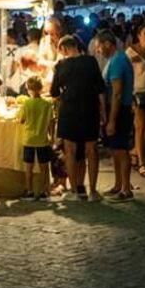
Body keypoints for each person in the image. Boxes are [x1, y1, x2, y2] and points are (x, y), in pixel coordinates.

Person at [50, 36, 105, 201]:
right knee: (91, 150)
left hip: (69, 110)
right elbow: (100, 87)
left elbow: (54, 92)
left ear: (64, 49)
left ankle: (74, 191)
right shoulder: (90, 61)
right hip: (90, 108)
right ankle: (93, 191)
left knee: (70, 152)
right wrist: (104, 112)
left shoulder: (60, 65)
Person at [100, 30, 135, 199]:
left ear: (108, 44)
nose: (99, 50)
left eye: (100, 46)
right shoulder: (115, 60)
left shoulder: (118, 61)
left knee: (121, 150)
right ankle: (118, 184)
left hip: (120, 110)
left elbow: (117, 93)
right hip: (116, 109)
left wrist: (112, 120)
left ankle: (126, 188)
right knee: (115, 149)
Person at [17, 76, 55, 200]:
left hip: (29, 139)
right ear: (41, 88)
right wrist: (52, 137)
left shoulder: (26, 103)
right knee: (44, 167)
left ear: (28, 89)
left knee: (29, 167)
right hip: (43, 140)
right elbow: (52, 121)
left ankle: (29, 191)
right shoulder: (47, 103)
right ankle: (44, 192)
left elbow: (21, 120)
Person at [126, 25, 145, 179]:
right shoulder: (130, 53)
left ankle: (134, 153)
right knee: (140, 127)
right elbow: (126, 73)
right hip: (136, 92)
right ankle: (141, 163)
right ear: (138, 35)